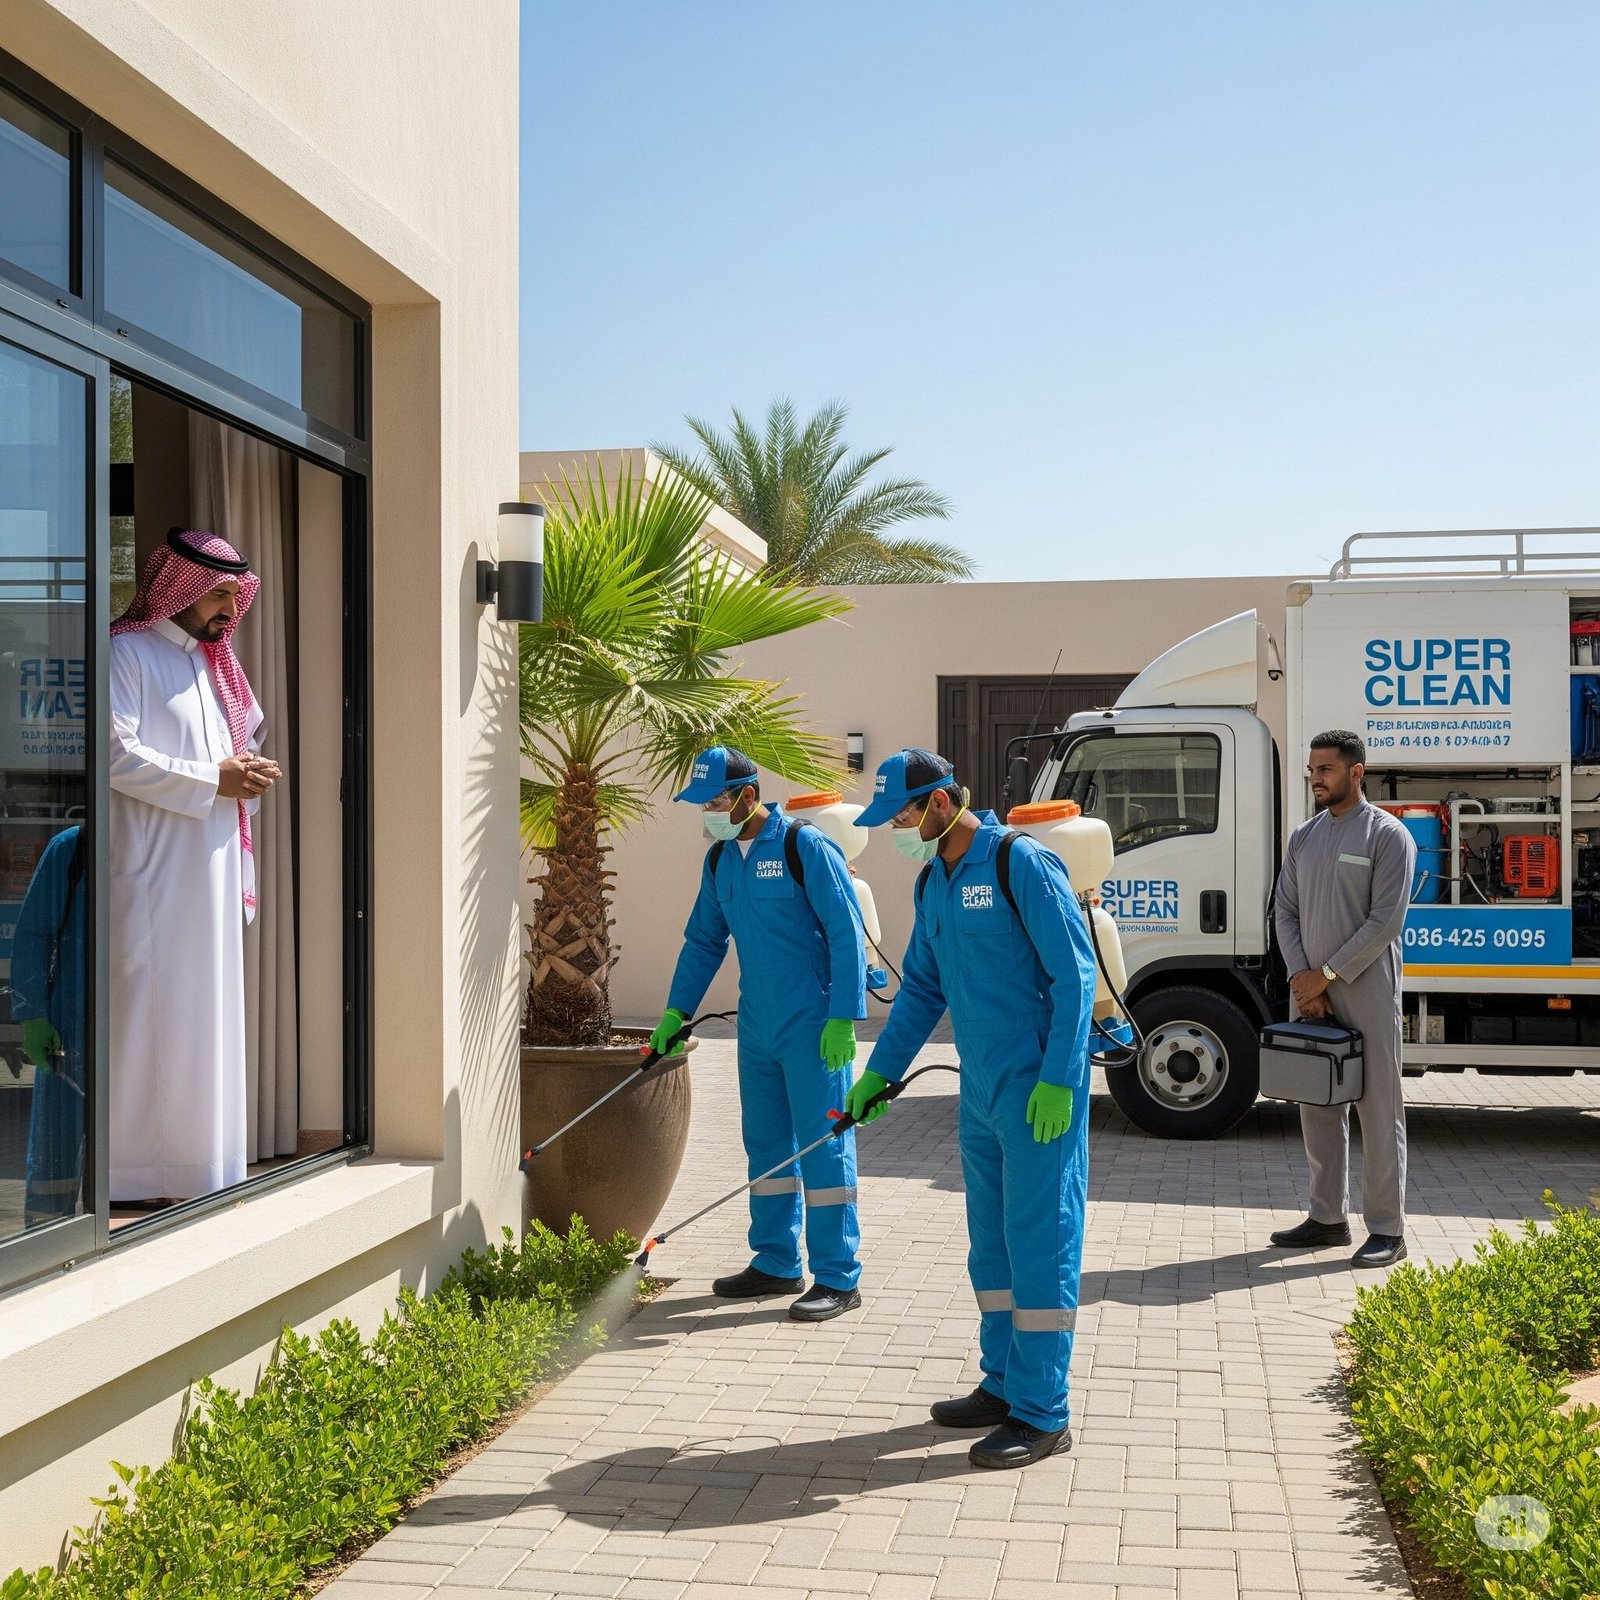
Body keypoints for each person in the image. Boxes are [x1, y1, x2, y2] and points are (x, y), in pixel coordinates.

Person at [849, 749, 1097, 1470]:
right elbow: (923, 990)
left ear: (938, 802)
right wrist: (878, 1074)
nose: (895, 829)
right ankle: (1003, 1384)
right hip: (981, 1090)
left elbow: (1075, 974)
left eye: (901, 815)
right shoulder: (934, 881)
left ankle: (1043, 1412)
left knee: (1040, 1242)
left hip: (1038, 1090)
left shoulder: (1021, 863)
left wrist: (1060, 1079)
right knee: (991, 1246)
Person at [653, 744, 868, 1321]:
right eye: (702, 805)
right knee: (766, 1143)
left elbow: (845, 932)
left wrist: (844, 1017)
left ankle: (838, 1275)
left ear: (748, 796)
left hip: (814, 1024)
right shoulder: (721, 860)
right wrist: (675, 1012)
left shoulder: (803, 846)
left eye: (715, 802)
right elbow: (704, 941)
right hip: (758, 1025)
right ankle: (775, 1261)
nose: (709, 814)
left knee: (822, 1147)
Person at [108, 528, 279, 1203]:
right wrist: (215, 779)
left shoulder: (214, 666)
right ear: (178, 587)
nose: (229, 610)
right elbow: (115, 756)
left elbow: (227, 763)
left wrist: (244, 778)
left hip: (209, 875)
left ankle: (202, 1169)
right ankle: (135, 1175)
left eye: (236, 596)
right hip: (154, 877)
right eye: (219, 594)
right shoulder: (127, 652)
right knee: (152, 1022)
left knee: (206, 1022)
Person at [1269, 730, 1415, 1268]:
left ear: (1356, 772)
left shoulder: (1388, 835)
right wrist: (1302, 978)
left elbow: (1385, 922)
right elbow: (1285, 911)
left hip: (1366, 990)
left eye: (1326, 769)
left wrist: (1326, 976)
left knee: (1378, 1110)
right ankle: (1327, 1217)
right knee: (1317, 1105)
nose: (1316, 778)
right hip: (1309, 992)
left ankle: (1388, 1229)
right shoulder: (1303, 837)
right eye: (1312, 770)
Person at [9, 826, 86, 1225]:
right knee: (58, 1137)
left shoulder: (173, 842)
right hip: (73, 1019)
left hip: (147, 1020)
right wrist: (33, 1013)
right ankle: (46, 1234)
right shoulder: (75, 846)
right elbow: (34, 933)